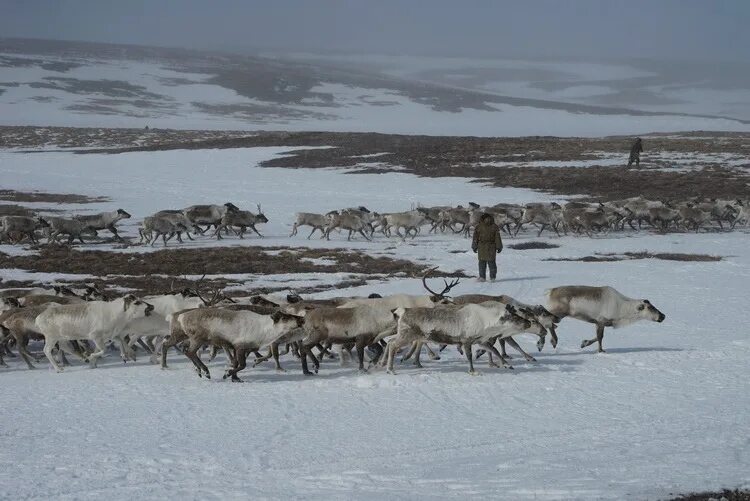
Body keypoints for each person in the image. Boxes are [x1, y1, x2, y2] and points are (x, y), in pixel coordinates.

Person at [471, 213, 503, 282]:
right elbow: (497, 237)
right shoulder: (494, 226)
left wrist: (474, 246)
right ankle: (493, 277)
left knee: (482, 262)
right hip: (491, 246)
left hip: (481, 246)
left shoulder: (479, 226)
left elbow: (475, 238)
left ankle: (482, 277)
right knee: (492, 262)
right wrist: (499, 247)